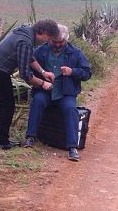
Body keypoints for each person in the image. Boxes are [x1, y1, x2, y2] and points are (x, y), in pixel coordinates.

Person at [0, 19, 61, 149]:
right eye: (48, 38)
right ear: (44, 32)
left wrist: (43, 72)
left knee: (7, 104)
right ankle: (1, 142)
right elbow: (25, 75)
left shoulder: (27, 32)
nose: (47, 42)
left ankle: (2, 140)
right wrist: (43, 84)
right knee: (7, 105)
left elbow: (28, 57)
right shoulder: (25, 41)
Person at [24, 24, 91, 161]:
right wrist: (41, 82)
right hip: (44, 90)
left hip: (65, 93)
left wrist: (73, 71)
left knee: (70, 109)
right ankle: (30, 138)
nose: (58, 45)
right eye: (55, 42)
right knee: (37, 101)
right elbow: (29, 67)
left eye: (61, 42)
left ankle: (72, 147)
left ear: (66, 40)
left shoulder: (76, 53)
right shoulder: (40, 51)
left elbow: (87, 73)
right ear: (50, 39)